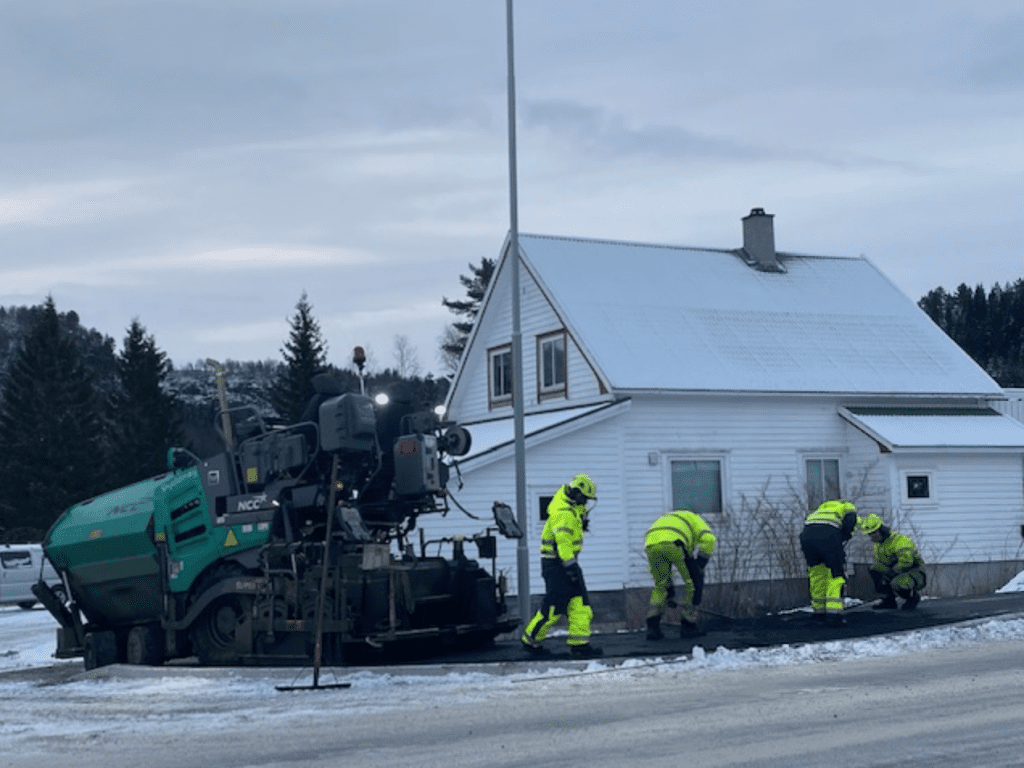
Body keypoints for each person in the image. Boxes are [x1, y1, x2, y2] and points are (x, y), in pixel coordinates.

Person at [521, 474, 603, 659]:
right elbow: (563, 543)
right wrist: (571, 568)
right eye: (583, 498)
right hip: (558, 566)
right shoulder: (563, 513)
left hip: (566, 564)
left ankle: (580, 645)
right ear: (575, 493)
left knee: (579, 605)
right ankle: (530, 640)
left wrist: (581, 520)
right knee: (554, 607)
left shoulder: (570, 511)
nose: (585, 503)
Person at [643, 510, 716, 640]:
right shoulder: (695, 519)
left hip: (651, 543)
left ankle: (652, 628)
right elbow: (709, 539)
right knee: (693, 584)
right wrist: (699, 565)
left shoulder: (670, 518)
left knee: (661, 585)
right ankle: (688, 626)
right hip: (675, 542)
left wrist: (670, 593)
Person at [799, 499, 858, 626]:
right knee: (836, 574)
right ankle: (833, 614)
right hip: (828, 535)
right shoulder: (848, 507)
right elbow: (849, 523)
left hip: (807, 536)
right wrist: (844, 536)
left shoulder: (823, 508)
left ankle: (818, 613)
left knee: (817, 573)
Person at [859, 513, 926, 610]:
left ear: (881, 530)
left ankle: (912, 598)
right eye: (870, 534)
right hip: (895, 571)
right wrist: (885, 579)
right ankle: (888, 600)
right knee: (874, 568)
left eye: (873, 533)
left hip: (914, 572)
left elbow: (906, 562)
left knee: (897, 583)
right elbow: (881, 563)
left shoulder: (900, 541)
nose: (871, 537)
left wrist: (890, 574)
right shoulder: (878, 545)